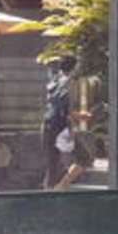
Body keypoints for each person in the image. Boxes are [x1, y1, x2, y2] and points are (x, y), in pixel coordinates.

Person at [41, 55, 75, 189]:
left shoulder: (54, 80)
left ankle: (49, 187)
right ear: (74, 68)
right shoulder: (69, 82)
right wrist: (71, 128)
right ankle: (55, 187)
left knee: (52, 159)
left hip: (48, 121)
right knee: (78, 158)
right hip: (59, 123)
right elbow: (67, 107)